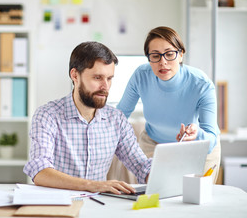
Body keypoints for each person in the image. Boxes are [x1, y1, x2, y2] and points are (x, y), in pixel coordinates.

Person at [23, 41, 152, 194]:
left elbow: (141, 166)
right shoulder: (47, 115)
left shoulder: (116, 119)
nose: (105, 86)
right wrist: (92, 185)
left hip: (98, 205)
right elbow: (40, 172)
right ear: (75, 75)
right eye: (97, 78)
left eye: (109, 78)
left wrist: (165, 179)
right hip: (58, 204)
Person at [117, 26, 221, 183]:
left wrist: (196, 134)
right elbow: (120, 115)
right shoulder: (141, 76)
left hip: (197, 147)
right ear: (148, 59)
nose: (163, 62)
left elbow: (211, 139)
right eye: (155, 56)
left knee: (194, 201)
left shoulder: (201, 84)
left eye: (169, 54)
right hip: (154, 146)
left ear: (180, 55)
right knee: (156, 198)